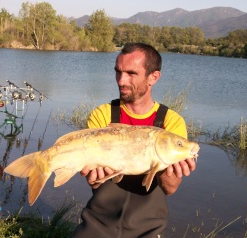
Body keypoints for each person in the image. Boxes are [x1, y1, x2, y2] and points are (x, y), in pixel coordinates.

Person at [72, 43, 196, 237]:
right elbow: (94, 182)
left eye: (131, 73)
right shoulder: (103, 115)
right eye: (118, 72)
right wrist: (93, 176)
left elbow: (169, 189)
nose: (121, 81)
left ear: (153, 77)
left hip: (148, 226)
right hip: (100, 221)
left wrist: (171, 171)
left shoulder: (171, 122)